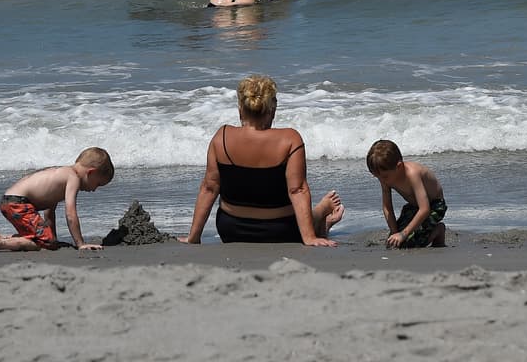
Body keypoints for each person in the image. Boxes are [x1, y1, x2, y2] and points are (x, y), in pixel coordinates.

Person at [182, 74, 342, 246]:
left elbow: (209, 188)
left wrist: (193, 237)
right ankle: (320, 214)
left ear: (240, 109)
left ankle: (320, 219)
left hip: (231, 231)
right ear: (272, 110)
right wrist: (309, 238)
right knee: (309, 217)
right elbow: (298, 190)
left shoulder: (221, 137)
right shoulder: (290, 139)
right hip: (282, 230)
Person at [0, 147, 115, 252]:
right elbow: (71, 213)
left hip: (10, 201)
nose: (94, 189)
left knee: (45, 239)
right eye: (98, 184)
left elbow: (49, 211)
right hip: (17, 203)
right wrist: (80, 243)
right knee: (45, 243)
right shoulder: (73, 178)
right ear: (91, 172)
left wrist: (53, 237)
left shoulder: (61, 173)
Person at [365, 139, 447, 248]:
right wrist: (394, 231)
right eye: (376, 176)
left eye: (384, 176)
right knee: (394, 243)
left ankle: (438, 230)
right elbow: (387, 207)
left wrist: (403, 234)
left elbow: (425, 209)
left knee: (411, 243)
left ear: (399, 167)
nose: (381, 180)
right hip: (413, 207)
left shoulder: (412, 174)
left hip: (435, 206)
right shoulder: (385, 177)